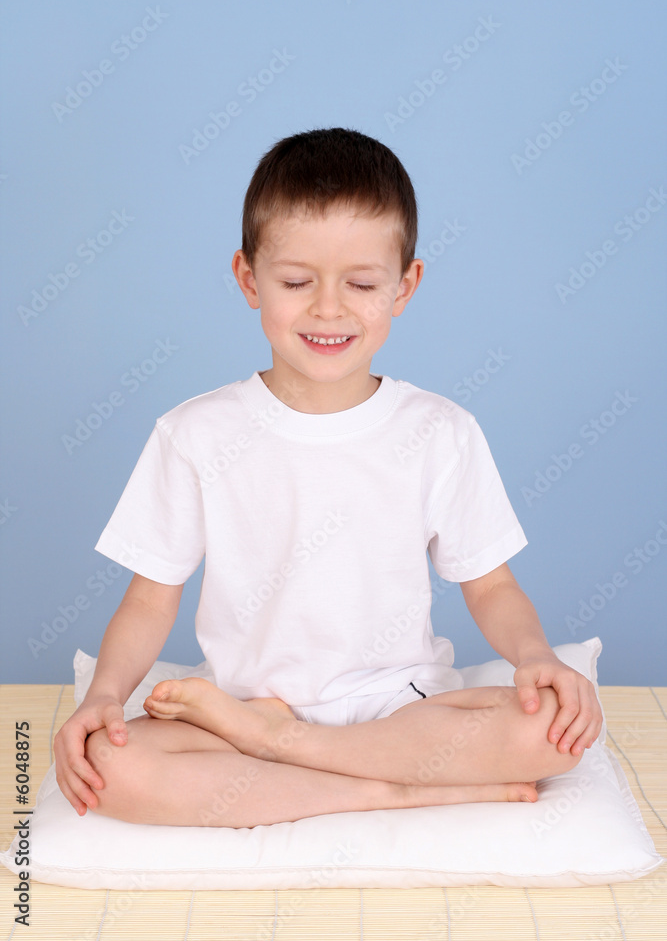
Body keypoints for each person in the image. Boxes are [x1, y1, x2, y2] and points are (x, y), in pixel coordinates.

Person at [54, 127, 603, 828]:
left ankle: (292, 751)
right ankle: (379, 788)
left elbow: (491, 586)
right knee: (107, 765)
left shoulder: (440, 431)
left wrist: (532, 657)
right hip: (244, 707)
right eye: (295, 281)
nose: (328, 309)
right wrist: (104, 693)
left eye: (362, 283)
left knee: (552, 725)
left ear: (405, 285)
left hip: (400, 707)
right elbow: (150, 600)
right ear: (248, 278)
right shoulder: (193, 433)